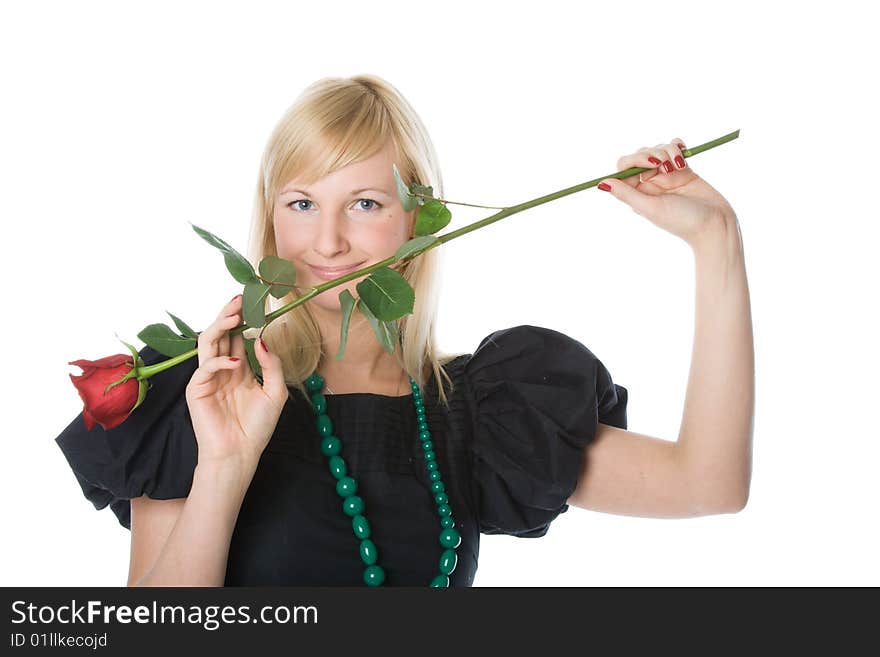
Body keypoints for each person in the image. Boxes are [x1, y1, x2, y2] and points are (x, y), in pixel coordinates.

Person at [55, 74, 754, 587]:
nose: (326, 241)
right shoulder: (208, 391)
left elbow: (708, 484)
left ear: (418, 219)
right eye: (301, 202)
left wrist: (715, 241)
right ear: (271, 218)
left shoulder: (481, 410)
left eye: (363, 202)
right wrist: (224, 467)